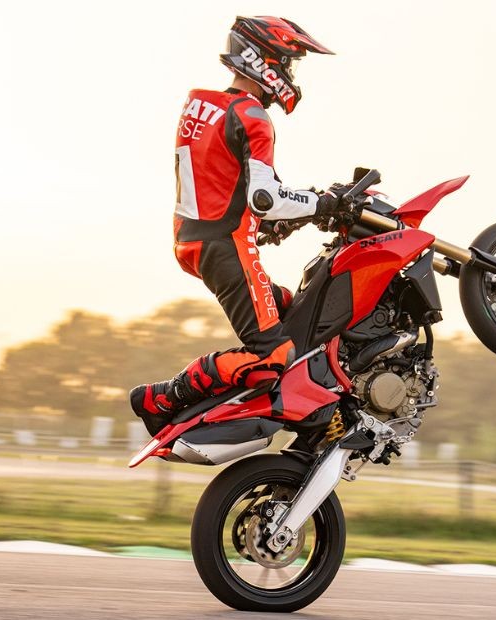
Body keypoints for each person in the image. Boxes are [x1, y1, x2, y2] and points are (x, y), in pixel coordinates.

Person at [130, 16, 353, 436]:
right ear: (263, 58)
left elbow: (225, 181)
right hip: (227, 247)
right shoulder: (251, 115)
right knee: (273, 358)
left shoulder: (203, 106)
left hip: (199, 240)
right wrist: (325, 203)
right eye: (288, 62)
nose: (290, 74)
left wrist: (283, 220)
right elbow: (263, 197)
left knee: (293, 307)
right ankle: (163, 396)